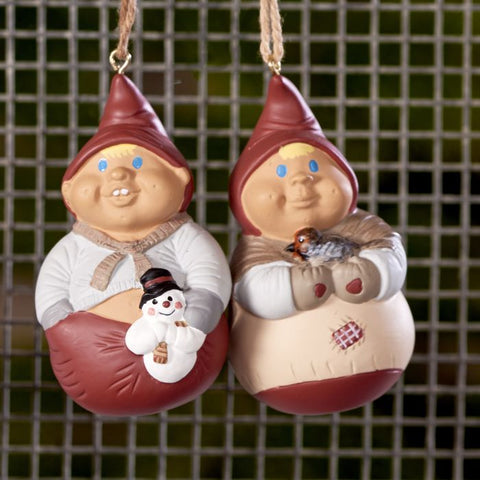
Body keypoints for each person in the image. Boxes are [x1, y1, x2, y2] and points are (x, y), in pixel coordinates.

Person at [35, 74, 231, 415]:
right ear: (70, 191)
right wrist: (61, 325)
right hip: (89, 356)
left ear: (179, 178)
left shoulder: (184, 236)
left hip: (184, 344)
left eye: (138, 163)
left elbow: (209, 279)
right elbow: (51, 289)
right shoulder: (74, 246)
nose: (118, 175)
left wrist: (197, 317)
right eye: (101, 166)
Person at [228, 74, 415, 414]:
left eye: (315, 166)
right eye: (280, 173)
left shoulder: (362, 226)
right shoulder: (258, 249)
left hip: (383, 358)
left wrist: (373, 271)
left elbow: (391, 254)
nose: (302, 181)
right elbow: (251, 289)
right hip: (282, 374)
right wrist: (292, 287)